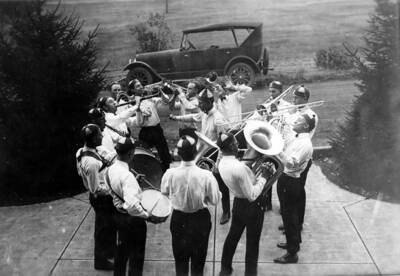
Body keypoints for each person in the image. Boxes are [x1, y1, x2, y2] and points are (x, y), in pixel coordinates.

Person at [169, 89, 231, 225]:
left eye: (202, 103)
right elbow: (192, 117)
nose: (200, 106)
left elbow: (223, 143)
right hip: (205, 151)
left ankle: (226, 211)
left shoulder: (218, 119)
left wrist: (218, 164)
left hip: (216, 154)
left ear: (210, 102)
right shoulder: (203, 113)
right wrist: (176, 118)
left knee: (221, 183)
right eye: (200, 103)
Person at [161, 135, 221, 276]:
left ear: (178, 154)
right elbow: (215, 200)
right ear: (195, 153)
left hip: (179, 219)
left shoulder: (170, 173)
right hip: (200, 220)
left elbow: (164, 192)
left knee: (180, 261)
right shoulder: (206, 176)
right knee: (198, 262)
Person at [217, 132, 268, 276]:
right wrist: (264, 177)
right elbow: (252, 195)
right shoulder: (239, 168)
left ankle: (225, 269)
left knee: (232, 236)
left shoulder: (222, 162)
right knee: (252, 243)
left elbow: (241, 176)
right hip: (253, 207)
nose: (238, 144)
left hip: (238, 204)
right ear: (233, 146)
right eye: (236, 142)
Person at [274, 114, 315, 264]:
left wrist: (276, 151)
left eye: (298, 121)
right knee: (288, 215)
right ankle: (293, 243)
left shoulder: (305, 144)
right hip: (287, 179)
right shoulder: (298, 139)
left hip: (290, 181)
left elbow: (291, 164)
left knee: (290, 217)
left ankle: (292, 253)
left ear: (305, 126)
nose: (295, 122)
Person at [105, 137, 150, 276]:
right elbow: (132, 206)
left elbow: (113, 189)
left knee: (121, 251)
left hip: (119, 216)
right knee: (136, 256)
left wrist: (133, 183)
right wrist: (147, 215)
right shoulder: (127, 176)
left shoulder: (110, 170)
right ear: (131, 154)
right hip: (133, 220)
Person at [75, 124, 116, 271]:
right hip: (102, 199)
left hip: (103, 198)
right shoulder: (91, 163)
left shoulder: (82, 151)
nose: (102, 136)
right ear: (92, 139)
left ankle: (110, 252)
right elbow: (95, 189)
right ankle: (101, 261)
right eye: (99, 135)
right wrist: (115, 189)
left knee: (109, 226)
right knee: (102, 230)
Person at [130, 79, 172, 172]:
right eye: (137, 86)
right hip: (146, 131)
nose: (141, 87)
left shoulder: (150, 98)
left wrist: (160, 90)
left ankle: (165, 173)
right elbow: (140, 119)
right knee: (142, 154)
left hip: (157, 129)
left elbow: (166, 100)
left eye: (140, 85)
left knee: (164, 154)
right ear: (133, 90)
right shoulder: (134, 101)